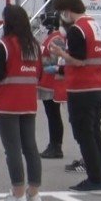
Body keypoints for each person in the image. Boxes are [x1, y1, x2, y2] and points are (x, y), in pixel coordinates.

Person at [47, 0, 101, 194]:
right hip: (99, 85)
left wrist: (60, 54)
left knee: (84, 135)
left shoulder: (77, 30)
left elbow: (79, 60)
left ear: (67, 10)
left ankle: (95, 179)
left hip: (82, 89)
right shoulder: (97, 27)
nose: (62, 17)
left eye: (61, 12)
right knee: (95, 132)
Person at [0, 4, 44, 201]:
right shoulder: (34, 45)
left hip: (7, 102)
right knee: (30, 147)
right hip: (28, 100)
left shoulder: (4, 44)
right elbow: (38, 73)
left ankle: (18, 195)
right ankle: (34, 194)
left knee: (12, 149)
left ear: (7, 22)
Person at [36, 13, 66, 159]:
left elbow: (57, 61)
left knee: (54, 115)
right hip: (46, 82)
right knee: (51, 115)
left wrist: (41, 60)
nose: (40, 26)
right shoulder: (49, 37)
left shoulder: (56, 38)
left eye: (42, 23)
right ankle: (53, 144)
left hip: (53, 83)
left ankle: (56, 146)